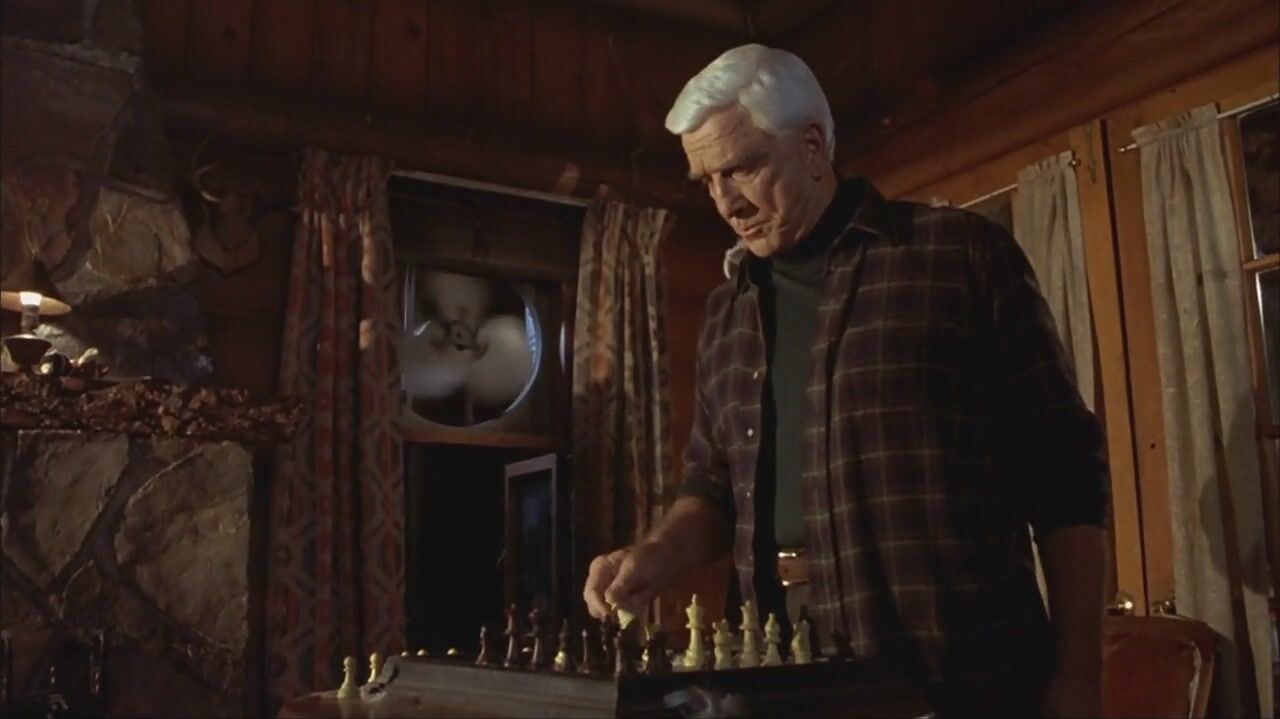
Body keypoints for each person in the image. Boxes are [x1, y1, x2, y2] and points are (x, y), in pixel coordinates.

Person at [582, 44, 1109, 717]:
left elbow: (1065, 473)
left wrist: (1078, 675)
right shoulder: (727, 311)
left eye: (742, 168)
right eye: (706, 180)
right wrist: (654, 555)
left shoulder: (957, 256)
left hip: (956, 679)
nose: (726, 202)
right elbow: (713, 490)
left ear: (811, 146)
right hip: (779, 681)